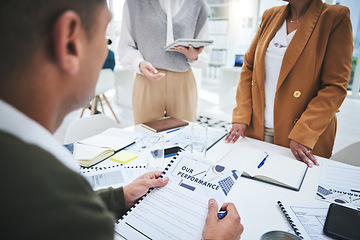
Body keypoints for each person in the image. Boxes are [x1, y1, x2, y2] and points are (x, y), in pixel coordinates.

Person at [0, 0, 243, 239]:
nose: (108, 51)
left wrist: (120, 196)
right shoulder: (60, 198)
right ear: (70, 41)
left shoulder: (30, 177)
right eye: (105, 36)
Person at [225, 0, 353, 167]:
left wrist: (304, 133)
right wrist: (241, 115)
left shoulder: (335, 17)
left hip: (299, 139)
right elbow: (249, 67)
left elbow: (335, 86)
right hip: (256, 129)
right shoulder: (270, 15)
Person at [118, 0, 211, 124]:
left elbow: (205, 51)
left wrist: (194, 56)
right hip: (147, 80)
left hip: (183, 82)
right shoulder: (134, 3)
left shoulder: (198, 4)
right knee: (146, 138)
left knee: (183, 138)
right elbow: (125, 46)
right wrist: (139, 63)